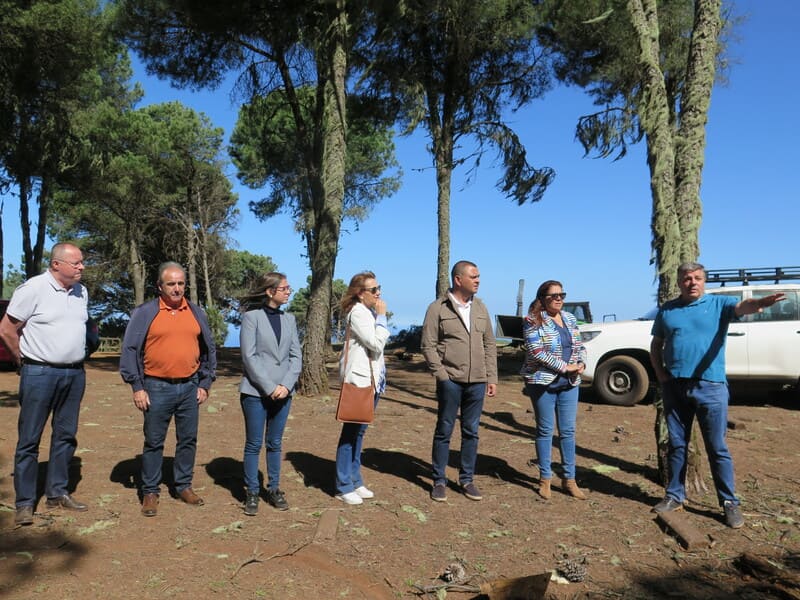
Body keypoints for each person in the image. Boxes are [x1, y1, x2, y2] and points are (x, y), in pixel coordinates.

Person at [649, 262, 785, 529]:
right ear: (679, 282)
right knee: (677, 445)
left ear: (704, 281)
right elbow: (656, 344)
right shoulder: (668, 310)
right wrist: (662, 375)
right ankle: (675, 495)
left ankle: (729, 503)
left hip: (710, 386)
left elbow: (742, 308)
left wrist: (759, 304)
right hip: (675, 386)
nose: (692, 282)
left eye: (698, 278)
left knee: (717, 448)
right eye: (687, 278)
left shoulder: (718, 305)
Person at [0, 243, 91, 526]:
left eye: (81, 263)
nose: (81, 267)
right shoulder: (33, 289)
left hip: (74, 375)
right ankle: (25, 503)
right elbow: (6, 329)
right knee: (29, 439)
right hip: (39, 373)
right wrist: (22, 360)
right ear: (56, 265)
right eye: (76, 263)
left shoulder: (81, 291)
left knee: (66, 436)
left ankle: (57, 493)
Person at [120, 262, 217, 517]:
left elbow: (209, 349)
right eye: (171, 284)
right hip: (155, 387)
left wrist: (205, 382)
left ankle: (183, 486)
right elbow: (130, 350)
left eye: (181, 283)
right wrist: (137, 387)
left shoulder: (196, 312)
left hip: (189, 387)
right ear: (160, 286)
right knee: (154, 442)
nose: (177, 289)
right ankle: (150, 491)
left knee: (188, 440)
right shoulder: (145, 312)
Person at [421, 260, 497, 502]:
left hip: (477, 381)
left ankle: (467, 479)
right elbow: (428, 345)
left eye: (478, 276)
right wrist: (442, 376)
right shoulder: (437, 308)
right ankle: (439, 480)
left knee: (471, 431)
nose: (478, 280)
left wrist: (491, 377)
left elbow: (489, 344)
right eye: (473, 276)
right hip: (451, 380)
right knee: (444, 430)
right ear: (458, 279)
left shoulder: (481, 307)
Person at [239, 273, 301, 515]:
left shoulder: (290, 319)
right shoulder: (251, 318)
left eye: (289, 287)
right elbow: (249, 356)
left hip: (284, 393)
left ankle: (274, 488)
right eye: (284, 288)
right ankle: (252, 492)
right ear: (269, 291)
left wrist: (286, 385)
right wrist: (269, 387)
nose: (288, 291)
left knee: (275, 443)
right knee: (254, 444)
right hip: (255, 392)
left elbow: (296, 356)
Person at [521, 280, 588, 500]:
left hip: (569, 383)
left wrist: (581, 364)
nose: (559, 299)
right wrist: (565, 366)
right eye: (553, 295)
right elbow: (537, 351)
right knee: (545, 430)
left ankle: (570, 479)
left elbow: (580, 345)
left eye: (562, 295)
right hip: (542, 383)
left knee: (568, 432)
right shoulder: (532, 320)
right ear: (542, 299)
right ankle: (545, 479)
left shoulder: (569, 318)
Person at [335, 271, 389, 505]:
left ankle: (355, 479)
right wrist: (382, 317)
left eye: (379, 288)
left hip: (371, 381)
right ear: (360, 293)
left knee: (360, 433)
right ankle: (343, 485)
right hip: (359, 381)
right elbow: (375, 344)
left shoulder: (366, 312)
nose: (378, 293)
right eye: (373, 290)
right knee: (350, 434)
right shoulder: (358, 312)